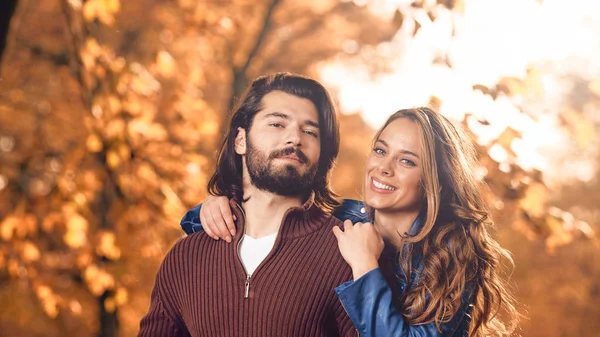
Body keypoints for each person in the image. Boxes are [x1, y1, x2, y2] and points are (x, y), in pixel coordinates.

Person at [187, 107, 520, 336]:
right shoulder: (336, 217)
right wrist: (212, 209)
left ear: (436, 180)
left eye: (406, 160)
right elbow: (240, 226)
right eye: (380, 150)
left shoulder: (454, 257)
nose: (383, 168)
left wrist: (364, 265)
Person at [138, 72, 358, 337]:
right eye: (277, 124)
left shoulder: (347, 254)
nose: (295, 139)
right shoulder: (186, 256)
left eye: (309, 131)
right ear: (240, 140)